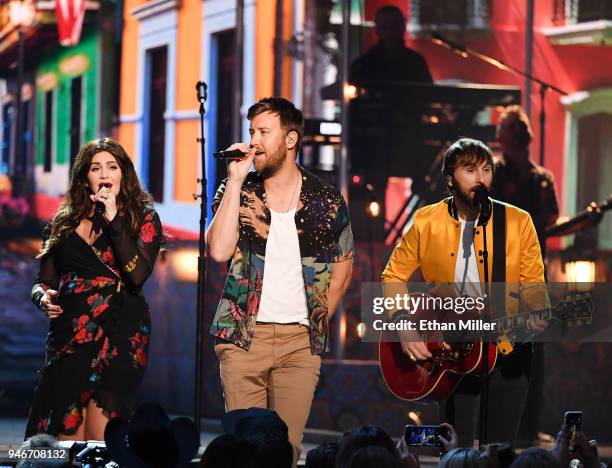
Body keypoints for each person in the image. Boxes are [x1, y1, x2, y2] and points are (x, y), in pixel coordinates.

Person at [207, 97, 354, 466]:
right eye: (252, 131)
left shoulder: (327, 200)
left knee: (285, 450)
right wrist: (235, 180)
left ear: (290, 140)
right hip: (244, 338)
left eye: (264, 132)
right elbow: (219, 251)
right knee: (244, 450)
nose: (254, 141)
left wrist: (313, 327)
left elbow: (343, 270)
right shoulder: (239, 191)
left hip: (298, 345)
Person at [381, 138, 549, 447]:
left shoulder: (518, 222)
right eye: (470, 170)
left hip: (508, 353)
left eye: (487, 169)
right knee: (454, 452)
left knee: (498, 453)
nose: (481, 178)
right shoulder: (426, 220)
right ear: (450, 178)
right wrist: (403, 324)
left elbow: (535, 287)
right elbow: (393, 275)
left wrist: (537, 313)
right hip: (450, 355)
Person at [26, 138, 163, 441]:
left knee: (100, 440)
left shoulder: (143, 217)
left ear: (123, 174)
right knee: (61, 442)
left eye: (112, 167)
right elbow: (43, 281)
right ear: (83, 177)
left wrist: (113, 218)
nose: (104, 175)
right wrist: (42, 297)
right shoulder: (64, 221)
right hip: (69, 336)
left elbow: (137, 275)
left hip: (120, 333)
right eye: (95, 168)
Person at [491, 106, 560, 445]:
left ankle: (527, 429)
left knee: (531, 357)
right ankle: (501, 429)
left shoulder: (542, 179)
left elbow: (549, 223)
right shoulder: (492, 176)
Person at [350, 5, 433, 86]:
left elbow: (428, 94)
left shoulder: (363, 63)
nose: (389, 32)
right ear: (376, 30)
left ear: (403, 27)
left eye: (394, 26)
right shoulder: (363, 64)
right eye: (384, 27)